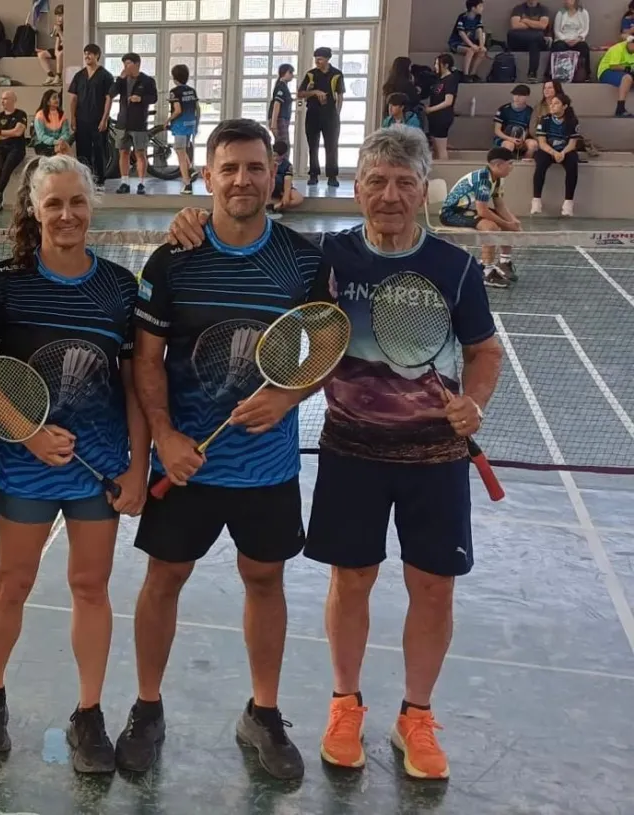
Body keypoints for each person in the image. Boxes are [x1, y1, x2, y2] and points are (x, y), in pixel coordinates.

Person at [155, 123, 505, 784]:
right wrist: (189, 221)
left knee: (432, 587)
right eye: (377, 181)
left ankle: (417, 715)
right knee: (352, 581)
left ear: (422, 188)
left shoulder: (455, 267)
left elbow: (484, 350)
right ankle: (345, 703)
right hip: (350, 450)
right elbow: (302, 337)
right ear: (357, 188)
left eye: (404, 182)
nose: (391, 195)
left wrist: (477, 401)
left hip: (435, 457)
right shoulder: (329, 261)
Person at [114, 119, 327, 782]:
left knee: (265, 579)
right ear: (207, 176)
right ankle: (147, 708)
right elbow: (146, 361)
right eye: (228, 167)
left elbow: (324, 347)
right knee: (164, 579)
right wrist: (167, 436)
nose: (241, 179)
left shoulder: (302, 259)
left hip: (266, 464)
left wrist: (290, 399)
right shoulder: (173, 259)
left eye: (254, 167)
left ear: (273, 175)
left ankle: (263, 713)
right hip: (186, 462)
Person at [0, 154, 148, 774]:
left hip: (100, 465)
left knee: (90, 586)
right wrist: (30, 432)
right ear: (34, 211)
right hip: (27, 465)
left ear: (91, 207)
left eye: (77, 203)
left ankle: (89, 713)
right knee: (11, 584)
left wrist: (138, 466)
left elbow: (136, 386)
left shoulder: (121, 289)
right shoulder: (4, 284)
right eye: (53, 204)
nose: (66, 215)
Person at [440, 146, 520, 288]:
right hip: (452, 212)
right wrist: (507, 225)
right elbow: (482, 211)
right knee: (491, 227)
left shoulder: (499, 178)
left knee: (509, 222)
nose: (512, 167)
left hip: (470, 210)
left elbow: (499, 204)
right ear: (498, 165)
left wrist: (513, 222)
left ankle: (504, 262)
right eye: (510, 163)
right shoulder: (484, 179)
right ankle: (487, 272)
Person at [68, 44, 114, 190]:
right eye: (86, 53)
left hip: (98, 120)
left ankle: (100, 181)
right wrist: (73, 118)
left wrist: (104, 119)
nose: (87, 56)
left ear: (97, 56)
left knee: (99, 150)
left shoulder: (105, 76)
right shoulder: (79, 76)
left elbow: (109, 98)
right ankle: (84, 180)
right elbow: (74, 98)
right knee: (83, 151)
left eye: (91, 54)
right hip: (81, 119)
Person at [111, 53, 158, 195]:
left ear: (137, 64)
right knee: (123, 152)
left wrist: (141, 99)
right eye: (124, 64)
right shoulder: (122, 80)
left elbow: (154, 98)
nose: (126, 66)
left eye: (128, 63)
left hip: (139, 123)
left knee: (140, 153)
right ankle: (124, 182)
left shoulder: (147, 80)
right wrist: (120, 79)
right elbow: (111, 93)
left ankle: (141, 183)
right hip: (122, 122)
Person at [298, 47, 344, 186]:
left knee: (331, 146)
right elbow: (300, 93)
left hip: (330, 114)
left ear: (327, 59)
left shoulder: (337, 74)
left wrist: (337, 113)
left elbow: (340, 95)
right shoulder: (311, 74)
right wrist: (314, 92)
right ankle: (313, 174)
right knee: (313, 145)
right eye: (316, 59)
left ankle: (332, 176)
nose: (317, 61)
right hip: (313, 113)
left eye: (320, 59)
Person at [532, 90, 580, 216]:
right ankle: (536, 200)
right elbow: (542, 143)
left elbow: (572, 143)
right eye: (551, 104)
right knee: (541, 164)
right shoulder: (544, 120)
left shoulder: (572, 121)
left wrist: (562, 153)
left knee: (572, 165)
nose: (552, 106)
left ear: (564, 106)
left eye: (556, 104)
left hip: (565, 151)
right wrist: (554, 153)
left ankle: (568, 203)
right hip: (548, 150)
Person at [0, 90, 28, 211]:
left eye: (5, 99)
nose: (2, 101)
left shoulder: (21, 114)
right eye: (2, 98)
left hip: (16, 147)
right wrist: (7, 133)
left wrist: (1, 132)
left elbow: (18, 132)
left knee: (7, 168)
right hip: (0, 147)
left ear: (13, 100)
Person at [167, 64, 199, 195]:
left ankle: (187, 184)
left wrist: (168, 120)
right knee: (182, 149)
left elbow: (178, 110)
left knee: (180, 153)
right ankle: (191, 168)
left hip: (180, 125)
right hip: (190, 123)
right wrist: (197, 124)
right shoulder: (192, 90)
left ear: (174, 78)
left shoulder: (175, 92)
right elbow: (198, 108)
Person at [508, 1, 552, 83]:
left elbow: (542, 25)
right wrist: (535, 26)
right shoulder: (518, 8)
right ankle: (532, 74)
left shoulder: (543, 9)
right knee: (512, 34)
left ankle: (532, 73)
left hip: (536, 42)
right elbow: (515, 25)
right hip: (521, 40)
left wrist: (525, 20)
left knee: (534, 43)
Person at [424, 54, 458, 160]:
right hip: (434, 117)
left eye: (437, 64)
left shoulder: (450, 79)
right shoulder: (439, 79)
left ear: (446, 65)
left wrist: (431, 109)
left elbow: (448, 101)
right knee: (435, 148)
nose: (435, 66)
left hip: (443, 117)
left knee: (441, 148)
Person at [550, 0, 590, 82]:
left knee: (584, 46)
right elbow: (557, 31)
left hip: (577, 39)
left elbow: (585, 29)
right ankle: (558, 73)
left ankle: (585, 74)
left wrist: (579, 38)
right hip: (563, 39)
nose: (567, 1)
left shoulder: (583, 12)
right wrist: (565, 39)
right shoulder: (561, 13)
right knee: (558, 46)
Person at [493, 84, 538, 157]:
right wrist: (511, 139)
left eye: (520, 95)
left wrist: (522, 140)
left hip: (521, 139)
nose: (517, 97)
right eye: (515, 95)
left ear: (527, 96)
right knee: (509, 145)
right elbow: (497, 130)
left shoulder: (530, 111)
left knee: (533, 144)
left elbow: (528, 129)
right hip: (505, 139)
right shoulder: (504, 109)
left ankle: (524, 163)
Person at [448, 0, 488, 82]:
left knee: (482, 51)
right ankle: (465, 75)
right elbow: (461, 33)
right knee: (470, 51)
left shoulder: (478, 17)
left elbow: (479, 30)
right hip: (457, 43)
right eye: (480, 6)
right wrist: (471, 45)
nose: (482, 8)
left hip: (470, 43)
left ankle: (472, 74)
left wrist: (481, 45)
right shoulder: (462, 17)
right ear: (473, 8)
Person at [597, 36, 634, 118]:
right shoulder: (617, 48)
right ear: (630, 42)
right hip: (606, 72)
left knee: (628, 77)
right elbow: (613, 66)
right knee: (627, 78)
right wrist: (628, 69)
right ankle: (620, 109)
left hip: (624, 72)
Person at [34, 89, 72, 157]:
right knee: (59, 151)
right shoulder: (40, 115)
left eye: (58, 97)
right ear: (48, 102)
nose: (57, 100)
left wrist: (60, 141)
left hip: (59, 144)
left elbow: (66, 133)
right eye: (54, 98)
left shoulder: (62, 114)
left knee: (63, 148)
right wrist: (55, 142)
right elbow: (41, 136)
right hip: (43, 144)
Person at [268, 138, 303, 214]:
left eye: (278, 156)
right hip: (269, 187)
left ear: (283, 155)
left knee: (298, 198)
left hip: (283, 188)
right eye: (274, 155)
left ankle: (276, 206)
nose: (275, 158)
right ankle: (269, 204)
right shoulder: (268, 162)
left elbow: (287, 182)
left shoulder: (287, 165)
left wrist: (286, 196)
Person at [268, 63, 295, 146]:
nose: (292, 75)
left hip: (283, 119)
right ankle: (280, 159)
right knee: (283, 145)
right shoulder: (281, 87)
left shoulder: (284, 86)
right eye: (290, 72)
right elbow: (277, 104)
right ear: (283, 73)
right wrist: (274, 123)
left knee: (282, 144)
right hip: (280, 119)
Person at [37, 4, 65, 86]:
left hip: (67, 49)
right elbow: (57, 40)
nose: (58, 18)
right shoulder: (58, 26)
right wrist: (56, 50)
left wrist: (60, 32)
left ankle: (59, 77)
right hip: (60, 48)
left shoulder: (68, 27)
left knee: (60, 54)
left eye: (60, 16)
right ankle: (50, 75)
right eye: (57, 16)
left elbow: (67, 42)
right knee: (41, 54)